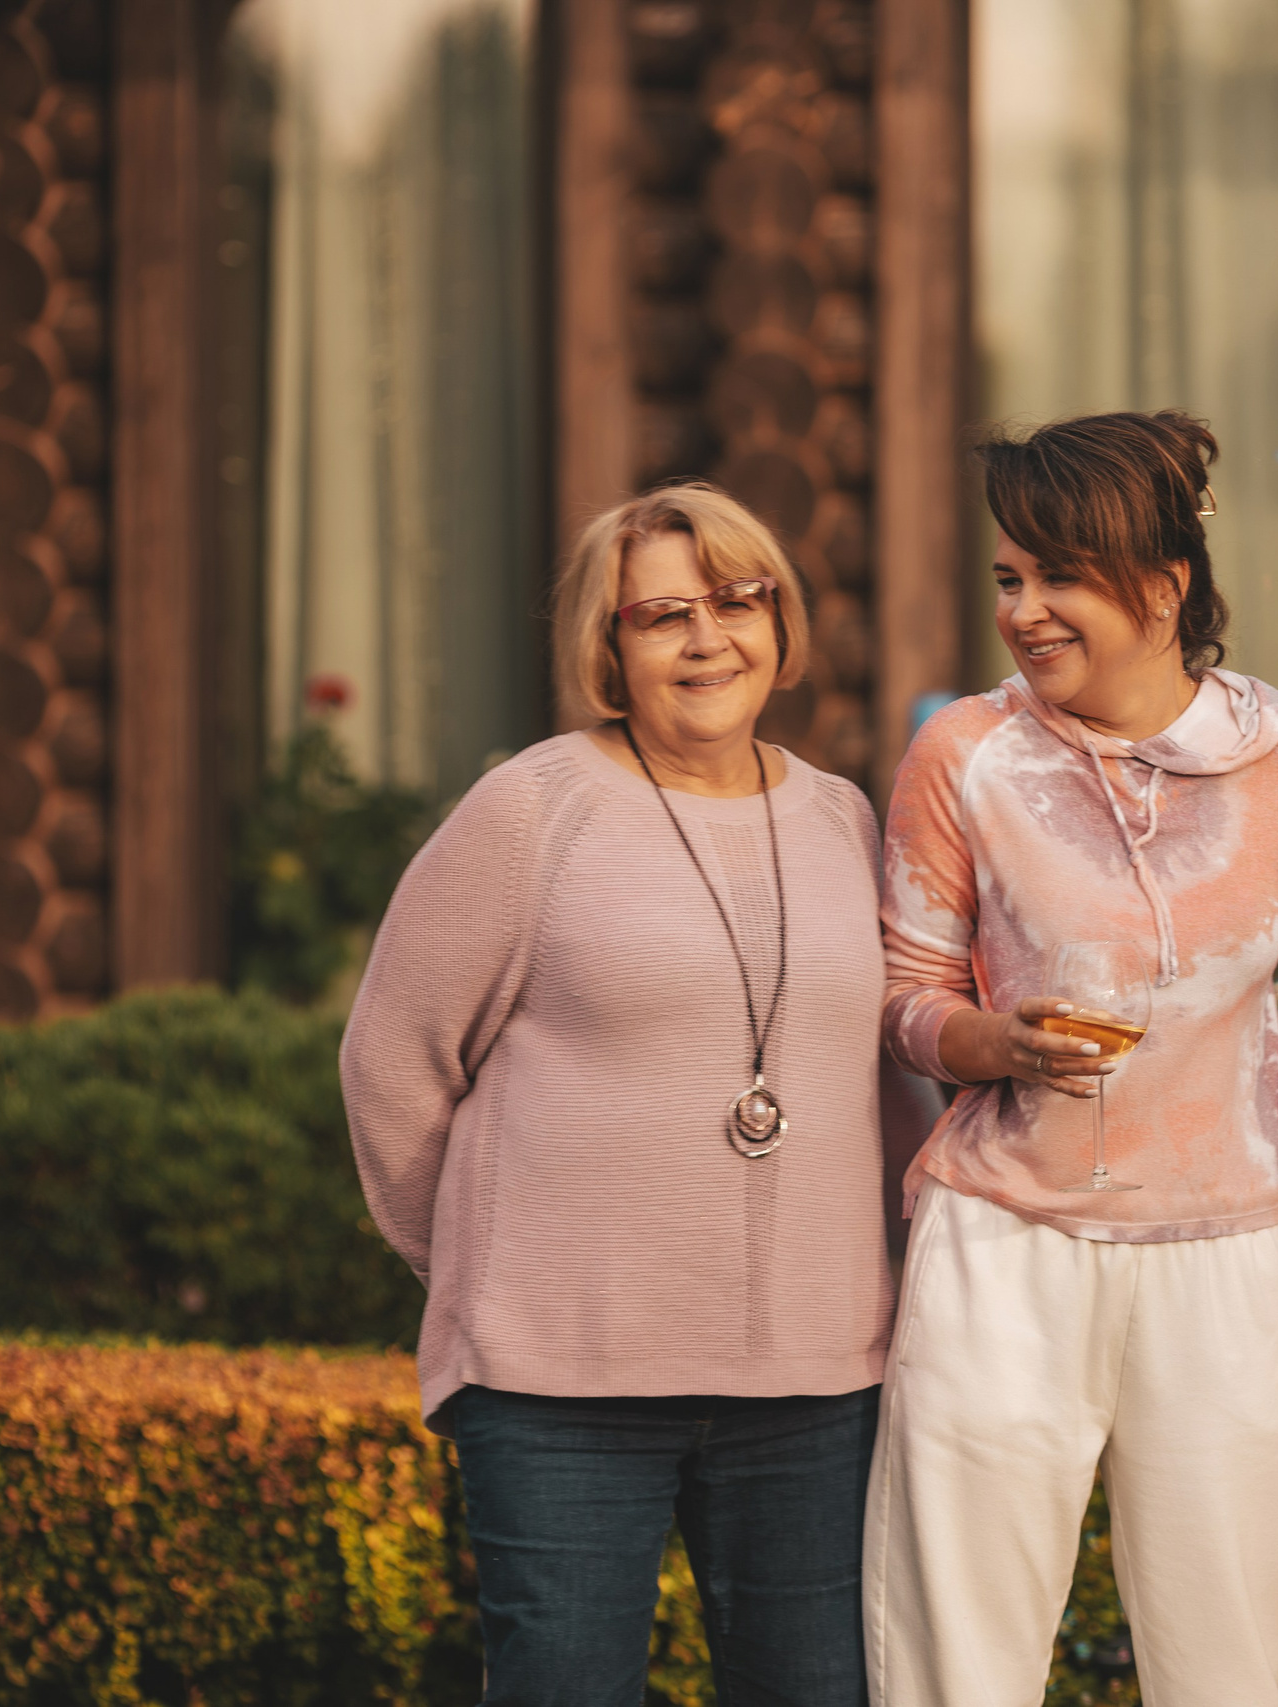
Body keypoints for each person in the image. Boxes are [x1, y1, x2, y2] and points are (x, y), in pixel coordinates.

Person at [342, 484, 900, 1707]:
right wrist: (488, 1268)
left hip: (811, 1388)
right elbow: (392, 1060)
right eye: (663, 614)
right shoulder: (532, 810)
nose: (709, 639)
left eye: (738, 601)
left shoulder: (846, 821)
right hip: (562, 1391)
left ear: (780, 622)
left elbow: (882, 1078)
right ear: (610, 646)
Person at [865, 409, 1278, 1707]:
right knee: (955, 1662)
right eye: (1008, 578)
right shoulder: (962, 756)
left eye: (1059, 577)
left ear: (1163, 586)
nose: (1025, 610)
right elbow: (907, 996)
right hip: (1003, 1244)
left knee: (1236, 1660)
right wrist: (991, 1040)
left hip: (1228, 1246)